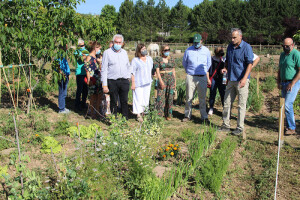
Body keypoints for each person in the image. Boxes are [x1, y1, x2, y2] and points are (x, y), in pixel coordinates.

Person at [219, 28, 254, 135]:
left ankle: (239, 127)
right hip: (231, 79)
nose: (232, 39)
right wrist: (225, 68)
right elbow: (228, 61)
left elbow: (250, 64)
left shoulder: (246, 47)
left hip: (241, 80)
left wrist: (244, 78)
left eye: (234, 37)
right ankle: (225, 125)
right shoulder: (230, 46)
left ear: (240, 37)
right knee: (226, 103)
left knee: (241, 105)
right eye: (231, 37)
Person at [182, 33, 211, 122]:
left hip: (202, 77)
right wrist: (190, 72)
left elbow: (208, 64)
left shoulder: (206, 51)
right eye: (194, 42)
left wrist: (203, 72)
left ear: (201, 41)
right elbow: (184, 63)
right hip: (191, 76)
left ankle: (204, 116)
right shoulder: (188, 51)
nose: (196, 44)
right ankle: (187, 115)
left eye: (198, 42)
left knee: (202, 98)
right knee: (189, 97)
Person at [101, 34, 132, 119]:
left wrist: (128, 77)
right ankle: (114, 120)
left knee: (124, 101)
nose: (117, 44)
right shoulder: (107, 53)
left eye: (119, 42)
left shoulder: (124, 53)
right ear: (113, 42)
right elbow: (104, 70)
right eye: (116, 42)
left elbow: (128, 66)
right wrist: (104, 84)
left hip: (124, 80)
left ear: (122, 43)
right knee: (113, 101)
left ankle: (124, 119)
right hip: (112, 80)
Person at [277, 38, 300, 135]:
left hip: (293, 82)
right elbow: (279, 69)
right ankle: (285, 125)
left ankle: (291, 128)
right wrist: (278, 81)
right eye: (283, 46)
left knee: (287, 104)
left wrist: (293, 83)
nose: (285, 48)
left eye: (287, 46)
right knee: (283, 105)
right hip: (284, 82)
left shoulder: (296, 54)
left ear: (292, 45)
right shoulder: (282, 55)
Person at [131, 44, 153, 122]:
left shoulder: (149, 59)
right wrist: (133, 83)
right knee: (138, 98)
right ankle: (138, 114)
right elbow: (132, 72)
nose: (144, 50)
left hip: (148, 82)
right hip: (138, 82)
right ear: (139, 51)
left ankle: (144, 112)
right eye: (142, 49)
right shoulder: (135, 60)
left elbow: (151, 69)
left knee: (146, 98)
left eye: (145, 48)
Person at [154, 45, 176, 120]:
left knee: (170, 97)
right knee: (161, 97)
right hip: (162, 78)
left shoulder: (171, 59)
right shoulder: (158, 59)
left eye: (168, 49)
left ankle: (168, 114)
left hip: (171, 79)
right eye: (165, 50)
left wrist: (175, 81)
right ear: (161, 51)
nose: (167, 51)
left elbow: (173, 70)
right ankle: (159, 114)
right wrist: (160, 81)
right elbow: (157, 71)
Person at [85, 41, 103, 118]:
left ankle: (98, 112)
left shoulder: (97, 57)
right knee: (93, 97)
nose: (100, 50)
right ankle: (92, 113)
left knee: (99, 96)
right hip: (93, 79)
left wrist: (100, 63)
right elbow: (87, 69)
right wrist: (89, 79)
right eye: (99, 48)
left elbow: (101, 68)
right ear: (95, 48)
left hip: (98, 78)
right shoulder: (89, 57)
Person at [208, 47, 226, 115]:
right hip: (214, 78)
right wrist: (209, 78)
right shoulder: (212, 59)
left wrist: (225, 80)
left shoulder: (223, 59)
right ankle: (211, 108)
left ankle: (225, 108)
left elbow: (226, 69)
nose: (220, 55)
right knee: (212, 93)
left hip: (222, 79)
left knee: (223, 93)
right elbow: (209, 69)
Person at [74, 38, 88, 111]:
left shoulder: (86, 51)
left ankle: (83, 103)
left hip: (86, 73)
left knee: (85, 89)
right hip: (79, 72)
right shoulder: (76, 52)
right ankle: (77, 104)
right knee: (79, 89)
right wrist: (85, 56)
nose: (83, 47)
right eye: (81, 46)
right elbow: (81, 58)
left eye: (83, 45)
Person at [56, 44, 70, 114]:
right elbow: (57, 66)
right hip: (62, 76)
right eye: (66, 46)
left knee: (64, 92)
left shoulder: (64, 55)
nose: (67, 47)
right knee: (62, 92)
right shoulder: (59, 55)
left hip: (66, 75)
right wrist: (62, 74)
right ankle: (61, 109)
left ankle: (63, 107)